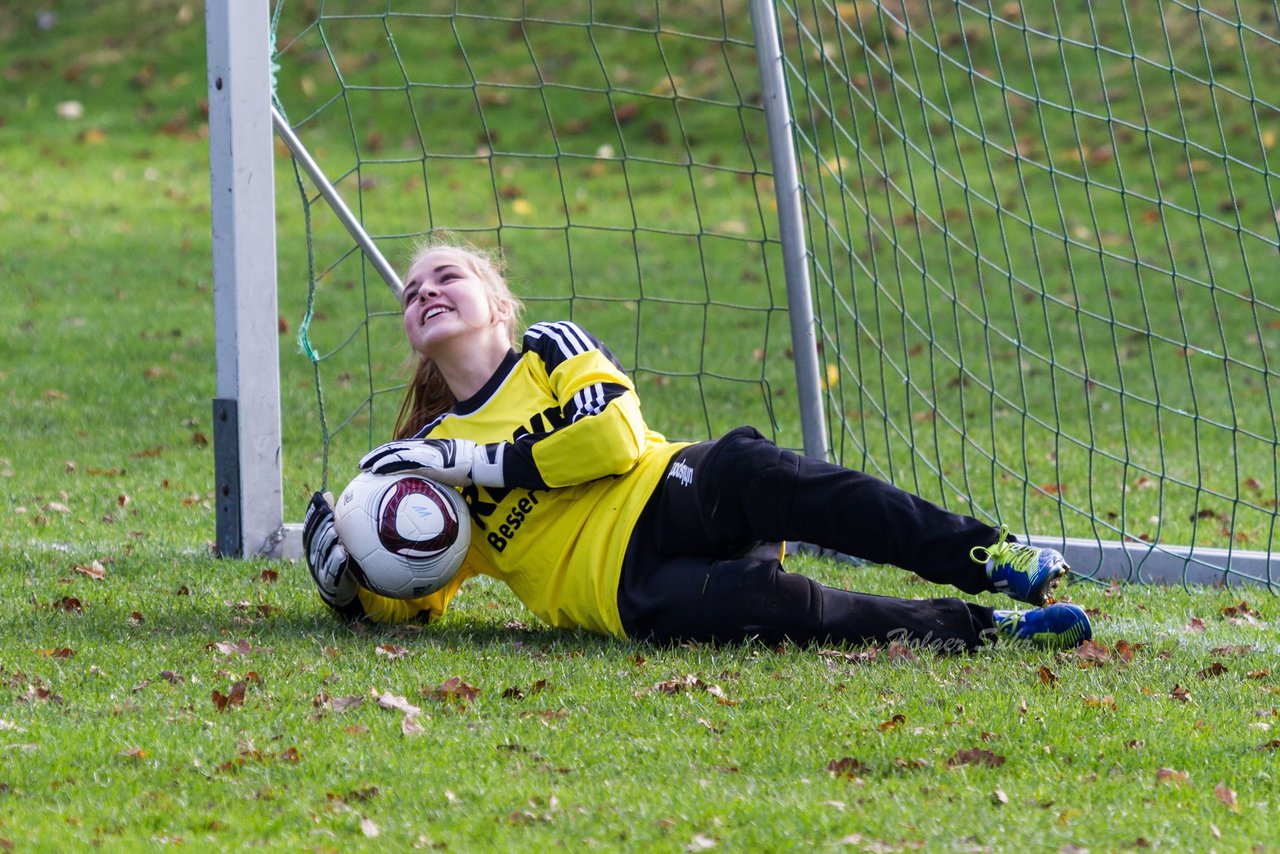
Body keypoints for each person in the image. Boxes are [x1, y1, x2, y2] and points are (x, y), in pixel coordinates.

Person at [302, 235, 1093, 652]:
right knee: (772, 606)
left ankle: (989, 557)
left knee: (758, 470)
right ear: (411, 333)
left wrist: (474, 461)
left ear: (497, 302)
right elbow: (419, 592)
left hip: (666, 489)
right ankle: (985, 634)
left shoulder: (547, 348)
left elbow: (610, 438)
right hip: (620, 593)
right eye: (412, 294)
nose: (426, 292)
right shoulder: (420, 458)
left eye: (445, 277)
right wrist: (348, 588)